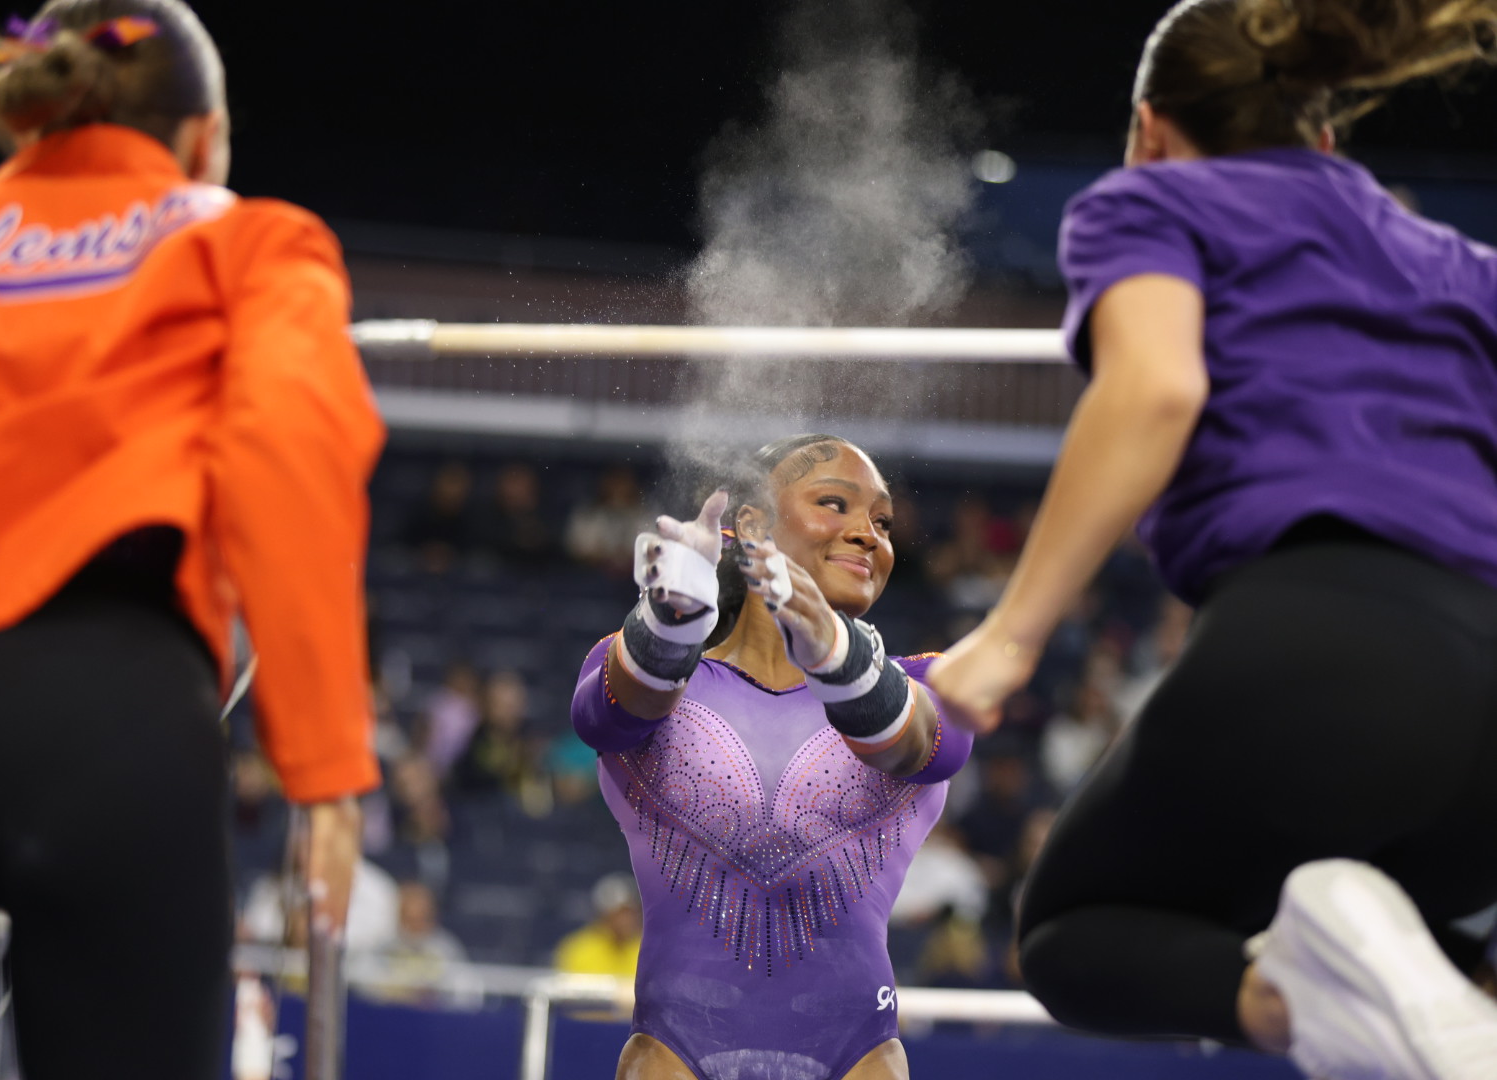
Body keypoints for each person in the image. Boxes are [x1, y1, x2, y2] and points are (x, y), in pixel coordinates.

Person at [925, 2, 1497, 1078]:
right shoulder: (1461, 260)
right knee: (1417, 962)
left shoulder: (1153, 201)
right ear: (1322, 134)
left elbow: (1156, 388)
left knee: (1077, 930)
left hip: (1328, 635)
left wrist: (1009, 637)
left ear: (1149, 129)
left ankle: (1283, 997)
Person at [0, 2, 383, 1075]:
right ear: (206, 138)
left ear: (33, 114)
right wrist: (324, 770)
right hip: (115, 722)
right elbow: (289, 459)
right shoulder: (254, 238)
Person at [571, 434, 975, 1080]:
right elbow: (606, 713)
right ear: (753, 525)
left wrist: (837, 656)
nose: (868, 534)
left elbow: (917, 741)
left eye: (882, 522)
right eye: (834, 503)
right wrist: (669, 626)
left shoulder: (929, 686)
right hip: (674, 1055)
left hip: (857, 1059)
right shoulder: (656, 680)